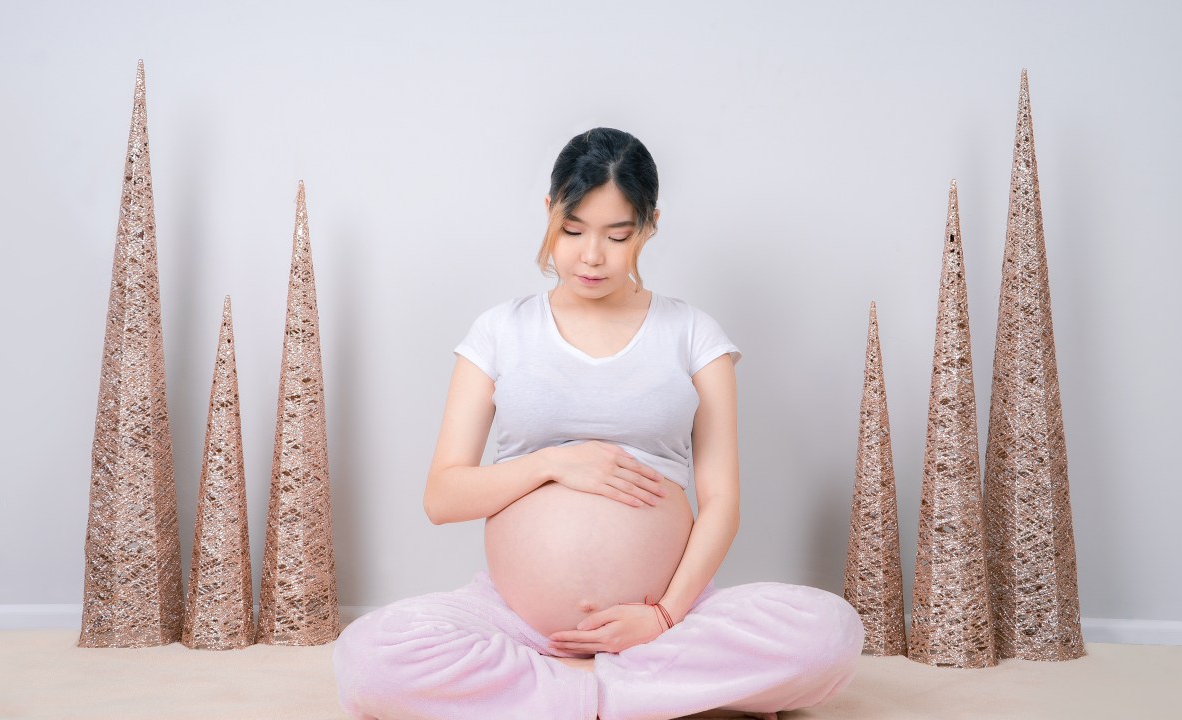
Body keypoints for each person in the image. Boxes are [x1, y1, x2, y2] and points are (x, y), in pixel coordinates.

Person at [332, 128, 863, 720]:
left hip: (664, 618)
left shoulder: (694, 336)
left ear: (649, 226)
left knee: (830, 635)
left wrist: (662, 616)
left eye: (617, 235)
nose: (591, 256)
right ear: (549, 212)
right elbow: (443, 496)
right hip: (513, 618)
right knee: (366, 661)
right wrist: (554, 463)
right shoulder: (499, 332)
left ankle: (561, 693)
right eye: (573, 229)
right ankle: (623, 694)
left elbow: (721, 502)